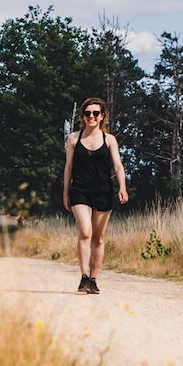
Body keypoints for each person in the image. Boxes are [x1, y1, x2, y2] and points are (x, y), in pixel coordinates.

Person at [63, 97, 128, 294]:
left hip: (103, 190)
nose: (91, 116)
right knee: (85, 231)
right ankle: (83, 276)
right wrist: (65, 192)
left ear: (102, 116)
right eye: (88, 113)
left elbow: (118, 165)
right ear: (83, 116)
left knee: (98, 239)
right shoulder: (74, 138)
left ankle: (93, 278)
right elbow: (68, 167)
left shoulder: (109, 139)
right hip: (80, 189)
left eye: (95, 113)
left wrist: (122, 187)